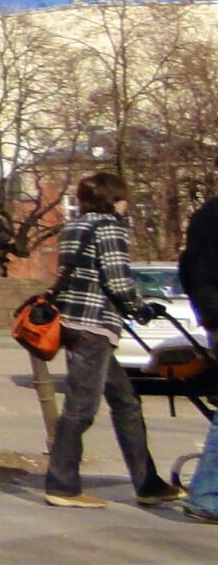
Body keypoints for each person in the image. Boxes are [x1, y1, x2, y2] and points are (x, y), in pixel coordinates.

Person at [45, 168, 182, 510]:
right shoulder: (109, 228)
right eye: (123, 199)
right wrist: (139, 308)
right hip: (94, 325)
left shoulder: (74, 227)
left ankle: (148, 483)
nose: (126, 205)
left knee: (126, 403)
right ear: (113, 199)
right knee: (81, 408)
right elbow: (118, 281)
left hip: (73, 321)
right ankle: (61, 485)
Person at [170, 190, 218, 522]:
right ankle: (206, 493)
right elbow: (195, 271)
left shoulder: (205, 215)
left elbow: (188, 269)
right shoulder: (211, 217)